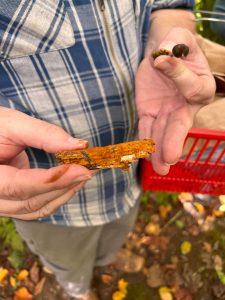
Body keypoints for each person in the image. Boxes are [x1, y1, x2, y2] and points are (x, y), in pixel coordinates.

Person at [0, 1, 215, 299]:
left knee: (114, 235)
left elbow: (171, 5)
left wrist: (168, 42)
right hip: (50, 201)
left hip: (130, 175)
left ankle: (103, 263)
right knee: (67, 260)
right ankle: (78, 289)